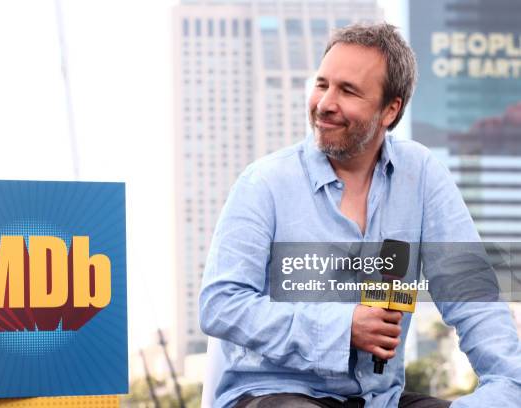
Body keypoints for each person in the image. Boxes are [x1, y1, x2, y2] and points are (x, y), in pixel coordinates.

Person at [199, 23, 521, 408]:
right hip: (275, 393)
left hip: (377, 398)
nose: (324, 103)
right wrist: (341, 328)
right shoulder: (263, 183)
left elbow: (472, 294)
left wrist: (506, 387)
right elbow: (220, 305)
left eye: (347, 91)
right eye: (322, 85)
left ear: (390, 109)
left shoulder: (421, 175)